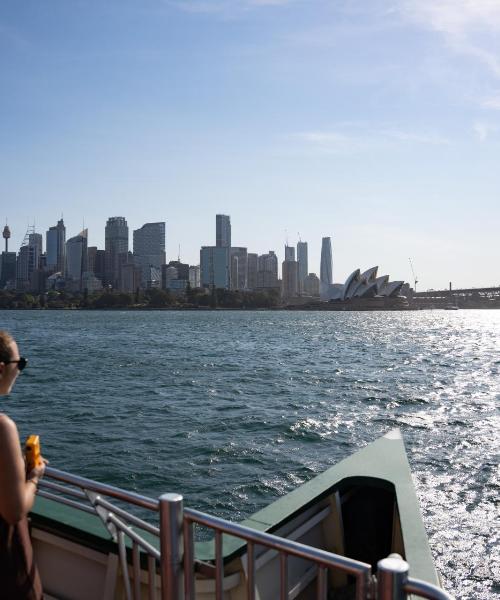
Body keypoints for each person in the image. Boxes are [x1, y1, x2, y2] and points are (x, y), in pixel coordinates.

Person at [0, 330, 44, 600]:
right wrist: (34, 476)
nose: (20, 371)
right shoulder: (2, 427)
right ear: (1, 368)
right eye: (21, 364)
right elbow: (14, 511)